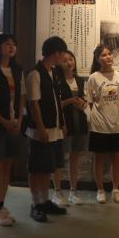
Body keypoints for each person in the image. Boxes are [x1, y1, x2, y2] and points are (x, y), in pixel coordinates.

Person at [0, 34, 26, 226]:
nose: (11, 47)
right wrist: (3, 121)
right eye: (7, 44)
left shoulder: (17, 70)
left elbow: (22, 96)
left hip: (14, 124)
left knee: (7, 166)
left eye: (14, 44)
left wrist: (19, 120)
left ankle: (1, 205)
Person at [25, 36, 68, 222]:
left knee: (47, 168)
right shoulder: (35, 74)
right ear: (56, 53)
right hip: (40, 131)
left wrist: (63, 123)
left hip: (54, 129)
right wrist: (41, 128)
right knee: (37, 168)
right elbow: (34, 104)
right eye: (63, 53)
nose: (64, 57)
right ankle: (36, 203)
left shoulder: (53, 72)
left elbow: (57, 100)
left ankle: (44, 201)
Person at [87, 44, 119, 204]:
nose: (108, 57)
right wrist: (98, 118)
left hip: (116, 125)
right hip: (99, 126)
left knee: (116, 158)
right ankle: (100, 190)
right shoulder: (93, 77)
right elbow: (90, 102)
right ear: (98, 59)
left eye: (109, 53)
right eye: (103, 55)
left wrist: (117, 117)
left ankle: (116, 189)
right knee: (99, 158)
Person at [52, 50, 89, 206]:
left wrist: (82, 103)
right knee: (59, 159)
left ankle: (73, 191)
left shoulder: (79, 80)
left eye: (71, 59)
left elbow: (84, 101)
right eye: (65, 60)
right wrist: (70, 101)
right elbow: (55, 104)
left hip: (79, 123)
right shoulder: (56, 81)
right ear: (59, 63)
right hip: (64, 124)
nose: (69, 62)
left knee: (75, 158)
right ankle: (57, 192)